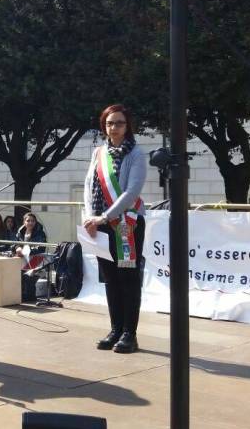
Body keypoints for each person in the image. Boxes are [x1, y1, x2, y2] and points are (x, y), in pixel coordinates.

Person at [83, 104, 147, 354]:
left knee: (128, 279)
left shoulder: (136, 154)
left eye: (119, 123)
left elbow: (132, 192)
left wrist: (105, 216)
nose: (114, 127)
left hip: (126, 224)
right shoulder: (98, 152)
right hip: (99, 224)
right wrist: (90, 216)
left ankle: (130, 334)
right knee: (110, 279)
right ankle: (115, 329)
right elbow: (89, 184)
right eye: (110, 123)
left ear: (127, 125)